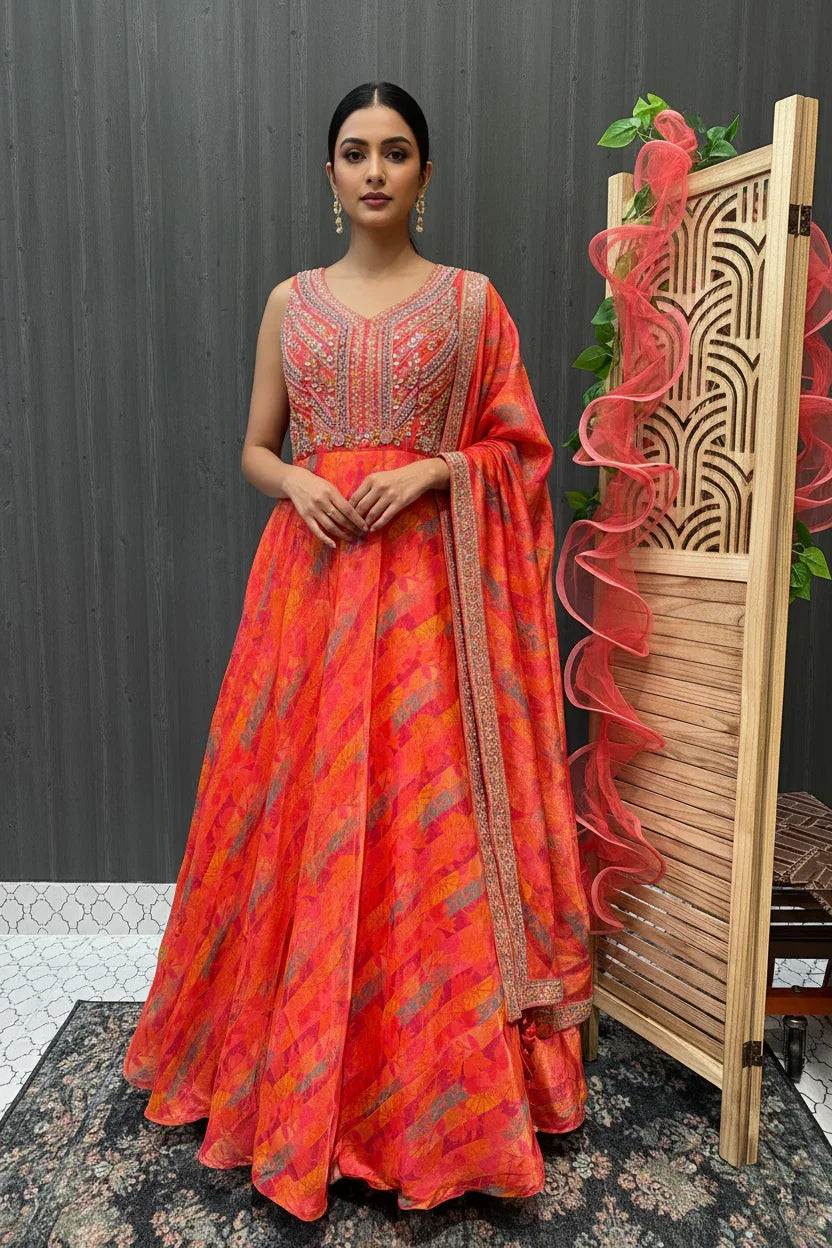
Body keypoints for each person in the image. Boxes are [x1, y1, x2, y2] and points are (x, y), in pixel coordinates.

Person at [122, 79, 593, 1223]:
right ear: (326, 175)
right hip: (312, 594)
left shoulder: (474, 306)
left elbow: (519, 453)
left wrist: (437, 469)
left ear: (427, 174)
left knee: (423, 831)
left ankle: (434, 1099)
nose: (374, 169)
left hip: (431, 602)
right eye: (353, 152)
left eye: (395, 152)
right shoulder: (291, 303)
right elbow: (253, 444)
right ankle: (295, 1086)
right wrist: (296, 483)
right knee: (302, 816)